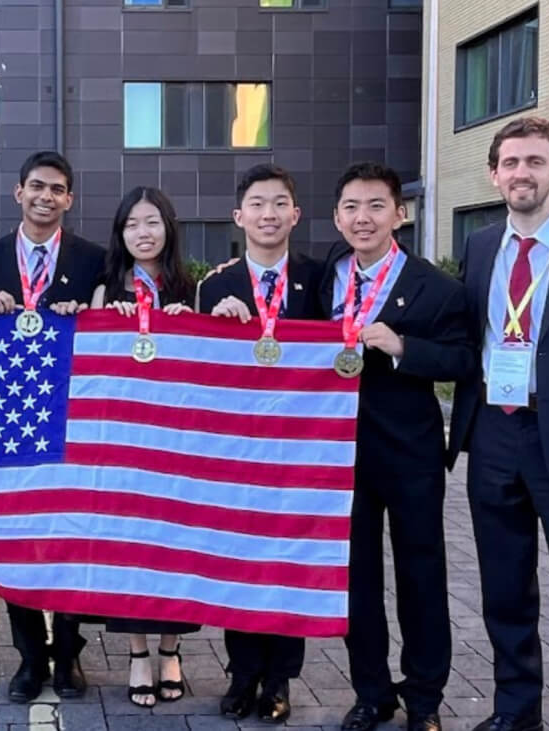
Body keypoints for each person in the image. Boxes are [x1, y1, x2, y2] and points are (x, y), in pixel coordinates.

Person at [447, 117, 549, 731]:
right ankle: (517, 713)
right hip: (493, 435)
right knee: (504, 591)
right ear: (494, 174)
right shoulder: (482, 245)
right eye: (510, 163)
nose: (522, 173)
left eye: (535, 162)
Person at [322, 162, 474, 731]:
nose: (364, 219)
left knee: (422, 574)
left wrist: (405, 346)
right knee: (355, 578)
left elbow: (463, 361)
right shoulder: (325, 278)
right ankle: (371, 692)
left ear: (399, 214)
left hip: (410, 454)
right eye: (352, 208)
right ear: (338, 217)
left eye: (376, 206)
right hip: (340, 454)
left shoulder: (437, 287)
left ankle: (426, 699)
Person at [0, 150, 105, 703]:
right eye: (36, 187)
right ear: (17, 193)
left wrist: (87, 313)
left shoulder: (95, 259)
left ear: (69, 199)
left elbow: (110, 328)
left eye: (56, 189)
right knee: (18, 540)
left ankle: (68, 653)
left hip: (74, 413)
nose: (45, 196)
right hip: (9, 418)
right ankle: (29, 656)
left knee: (72, 538)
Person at [198, 164, 323, 724]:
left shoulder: (322, 280)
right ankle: (242, 672)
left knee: (289, 563)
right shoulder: (214, 285)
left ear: (294, 215)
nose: (268, 214)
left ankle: (279, 680)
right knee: (240, 564)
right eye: (257, 204)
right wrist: (220, 324)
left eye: (279, 204)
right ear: (238, 216)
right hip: (238, 452)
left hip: (301, 452)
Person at [89, 186, 196, 709]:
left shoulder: (191, 287)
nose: (143, 233)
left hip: (176, 443)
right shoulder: (106, 288)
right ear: (121, 233)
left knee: (173, 549)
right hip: (123, 443)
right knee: (129, 551)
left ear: (168, 228)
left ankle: (172, 650)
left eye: (152, 222)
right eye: (132, 224)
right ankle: (136, 652)